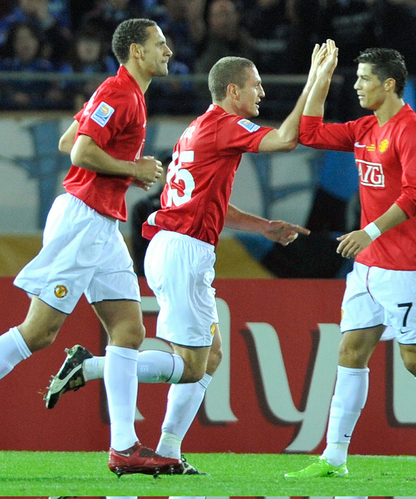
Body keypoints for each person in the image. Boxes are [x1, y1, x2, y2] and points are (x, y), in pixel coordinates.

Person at [44, 43, 327, 473]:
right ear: (233, 91)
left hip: (174, 244)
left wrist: (264, 227)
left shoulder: (199, 128)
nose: (262, 94)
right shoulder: (225, 126)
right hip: (184, 251)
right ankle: (94, 366)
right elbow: (287, 139)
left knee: (210, 355)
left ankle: (170, 451)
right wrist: (313, 80)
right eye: (256, 86)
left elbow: (212, 204)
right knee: (193, 367)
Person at [284, 41, 416, 479]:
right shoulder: (364, 128)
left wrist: (368, 231)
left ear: (389, 84)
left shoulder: (413, 130)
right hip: (369, 266)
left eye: (363, 79)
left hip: (408, 265)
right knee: (350, 351)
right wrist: (320, 76)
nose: (356, 86)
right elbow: (309, 133)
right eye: (355, 78)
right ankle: (334, 457)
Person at [0, 18, 185, 477]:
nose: (169, 51)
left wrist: (119, 165)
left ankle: (124, 447)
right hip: (83, 220)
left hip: (103, 225)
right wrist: (134, 170)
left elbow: (69, 138)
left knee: (128, 329)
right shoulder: (120, 93)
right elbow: (80, 152)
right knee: (39, 333)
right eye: (160, 44)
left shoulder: (123, 95)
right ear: (137, 52)